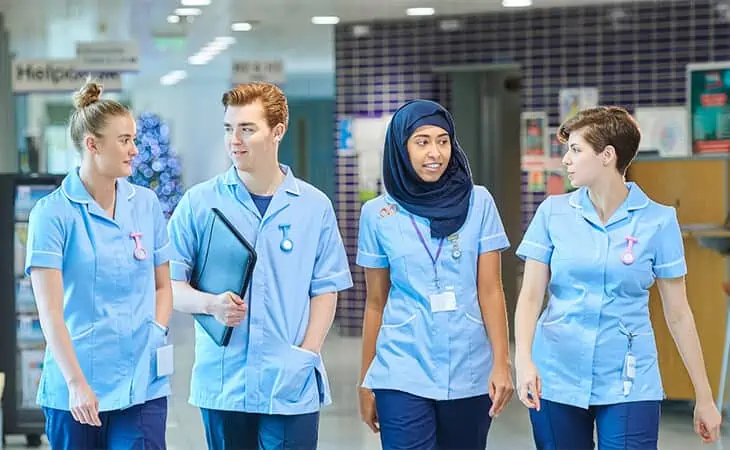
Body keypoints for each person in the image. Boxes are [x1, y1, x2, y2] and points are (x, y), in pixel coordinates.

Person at [514, 106, 722, 449]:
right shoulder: (552, 213)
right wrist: (524, 361)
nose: (566, 159)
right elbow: (531, 297)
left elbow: (679, 313)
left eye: (576, 150)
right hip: (557, 372)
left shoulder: (658, 221)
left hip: (629, 378)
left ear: (607, 155)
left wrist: (704, 397)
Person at [167, 82, 353, 450]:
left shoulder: (313, 207)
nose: (234, 139)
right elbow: (169, 285)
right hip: (224, 381)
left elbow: (326, 289)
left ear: (277, 131)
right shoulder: (199, 204)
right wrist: (210, 304)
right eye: (228, 128)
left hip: (290, 378)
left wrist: (307, 354)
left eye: (247, 129)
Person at [356, 99, 514, 450]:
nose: (435, 153)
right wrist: (366, 380)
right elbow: (376, 303)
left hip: (468, 367)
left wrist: (502, 364)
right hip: (401, 367)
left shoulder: (479, 203)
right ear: (401, 147)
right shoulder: (377, 214)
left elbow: (491, 290)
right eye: (422, 141)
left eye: (443, 141)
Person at [25, 78, 174, 449]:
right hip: (76, 384)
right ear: (92, 145)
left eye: (135, 139)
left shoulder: (147, 204)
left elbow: (162, 285)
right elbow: (50, 312)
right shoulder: (52, 213)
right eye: (125, 140)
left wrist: (154, 332)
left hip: (142, 381)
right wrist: (76, 383)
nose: (135, 150)